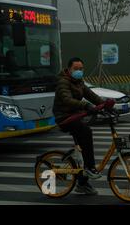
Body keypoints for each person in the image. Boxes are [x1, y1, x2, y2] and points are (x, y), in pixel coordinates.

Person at [52, 57, 104, 195]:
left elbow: (91, 95)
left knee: (82, 144)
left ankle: (82, 183)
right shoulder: (63, 82)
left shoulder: (79, 82)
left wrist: (105, 105)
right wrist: (86, 105)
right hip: (63, 117)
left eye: (81, 69)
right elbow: (67, 100)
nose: (79, 71)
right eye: (76, 69)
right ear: (69, 69)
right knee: (86, 132)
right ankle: (89, 167)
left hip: (74, 116)